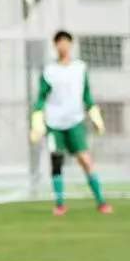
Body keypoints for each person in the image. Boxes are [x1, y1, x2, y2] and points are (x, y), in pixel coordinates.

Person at [29, 29, 112, 216]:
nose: (63, 45)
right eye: (59, 42)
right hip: (54, 123)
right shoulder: (50, 71)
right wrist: (36, 120)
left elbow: (87, 95)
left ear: (71, 44)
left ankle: (101, 201)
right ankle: (60, 204)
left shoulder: (80, 68)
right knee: (56, 161)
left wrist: (95, 115)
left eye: (66, 42)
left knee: (85, 159)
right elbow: (41, 97)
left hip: (75, 121)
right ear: (55, 45)